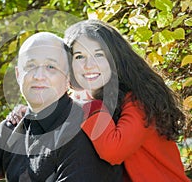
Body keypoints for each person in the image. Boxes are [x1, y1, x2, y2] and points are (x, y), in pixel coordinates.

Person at [0, 32, 123, 181]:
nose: (39, 76)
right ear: (18, 74)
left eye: (51, 67)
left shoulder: (83, 133)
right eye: (30, 66)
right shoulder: (17, 126)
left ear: (69, 79)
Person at [64, 19, 190, 182]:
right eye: (79, 56)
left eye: (99, 54)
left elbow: (114, 151)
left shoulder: (139, 99)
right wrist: (30, 114)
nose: (89, 65)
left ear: (115, 57)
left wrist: (85, 107)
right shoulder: (82, 99)